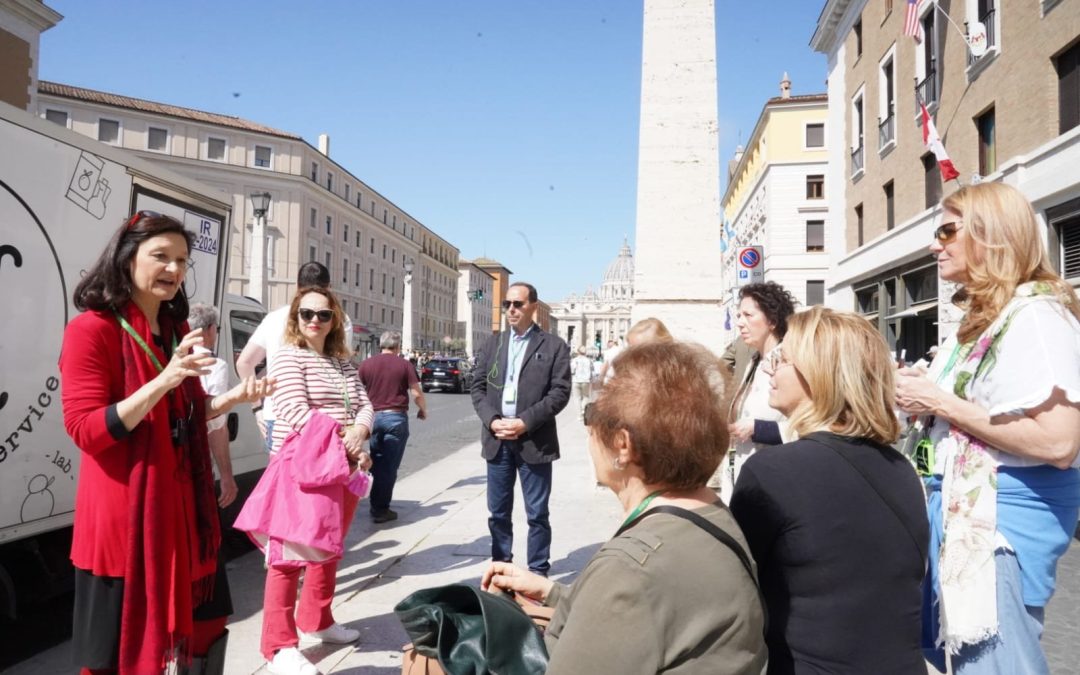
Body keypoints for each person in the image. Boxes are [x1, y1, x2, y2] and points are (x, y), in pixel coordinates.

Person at [59, 211, 273, 674]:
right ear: (126, 259)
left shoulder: (174, 331)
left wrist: (234, 396)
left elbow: (188, 418)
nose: (175, 270)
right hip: (126, 524)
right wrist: (165, 378)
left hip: (185, 516)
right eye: (161, 256)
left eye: (182, 260)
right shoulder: (92, 329)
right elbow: (86, 430)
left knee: (207, 629)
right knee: (115, 657)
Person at [482, 341, 767, 674]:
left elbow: (635, 595)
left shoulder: (628, 570)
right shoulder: (711, 511)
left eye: (594, 415)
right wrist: (553, 593)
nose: (589, 429)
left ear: (623, 445)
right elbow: (657, 613)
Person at [895, 183, 1080, 674]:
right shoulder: (984, 320)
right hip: (967, 514)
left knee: (996, 666)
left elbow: (1059, 441)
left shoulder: (1037, 315)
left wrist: (938, 401)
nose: (936, 244)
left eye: (947, 230)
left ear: (991, 236)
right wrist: (925, 398)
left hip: (1001, 525)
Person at [730, 307, 929, 674]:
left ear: (819, 375)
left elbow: (735, 593)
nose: (771, 369)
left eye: (784, 360)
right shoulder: (901, 469)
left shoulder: (772, 472)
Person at [256, 285, 374, 675]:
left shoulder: (342, 363)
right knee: (288, 557)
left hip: (342, 466)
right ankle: (278, 645)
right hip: (303, 467)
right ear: (295, 318)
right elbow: (293, 409)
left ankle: (318, 620)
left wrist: (360, 431)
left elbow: (365, 403)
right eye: (306, 313)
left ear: (333, 320)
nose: (314, 321)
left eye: (323, 315)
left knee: (329, 547)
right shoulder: (289, 357)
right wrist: (348, 441)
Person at [471, 282, 571, 577]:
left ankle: (538, 571)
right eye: (507, 305)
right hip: (497, 440)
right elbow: (476, 388)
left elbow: (560, 392)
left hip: (534, 441)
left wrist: (525, 421)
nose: (511, 310)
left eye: (518, 304)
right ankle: (501, 567)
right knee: (498, 513)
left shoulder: (554, 346)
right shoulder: (492, 344)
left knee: (537, 514)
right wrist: (491, 420)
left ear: (533, 308)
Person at [236, 262, 352, 452]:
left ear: (297, 287)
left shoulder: (274, 317)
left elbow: (244, 363)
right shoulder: (338, 319)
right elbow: (342, 367)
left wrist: (257, 409)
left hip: (276, 414)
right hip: (324, 419)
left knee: (283, 476)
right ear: (329, 289)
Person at [714, 281, 796, 498]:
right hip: (743, 475)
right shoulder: (754, 361)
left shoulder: (790, 364)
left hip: (774, 484)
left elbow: (812, 425)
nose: (740, 323)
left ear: (772, 320)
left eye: (748, 316)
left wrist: (759, 429)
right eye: (739, 316)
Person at [358, 330, 427, 524]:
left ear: (381, 345)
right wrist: (423, 410)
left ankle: (373, 501)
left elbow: (355, 391)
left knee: (376, 461)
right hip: (395, 419)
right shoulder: (404, 365)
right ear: (397, 347)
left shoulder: (366, 364)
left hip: (372, 418)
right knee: (388, 467)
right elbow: (416, 393)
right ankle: (380, 509)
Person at [188, 303, 237, 508]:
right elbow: (215, 422)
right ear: (209, 330)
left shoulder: (174, 358)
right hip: (198, 459)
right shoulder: (216, 365)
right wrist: (227, 475)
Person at [569, 345, 593, 422]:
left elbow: (572, 370)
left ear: (578, 352)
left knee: (577, 398)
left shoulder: (574, 360)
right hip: (586, 380)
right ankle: (583, 409)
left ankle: (579, 415)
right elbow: (592, 370)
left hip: (576, 380)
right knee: (586, 396)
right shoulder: (589, 360)